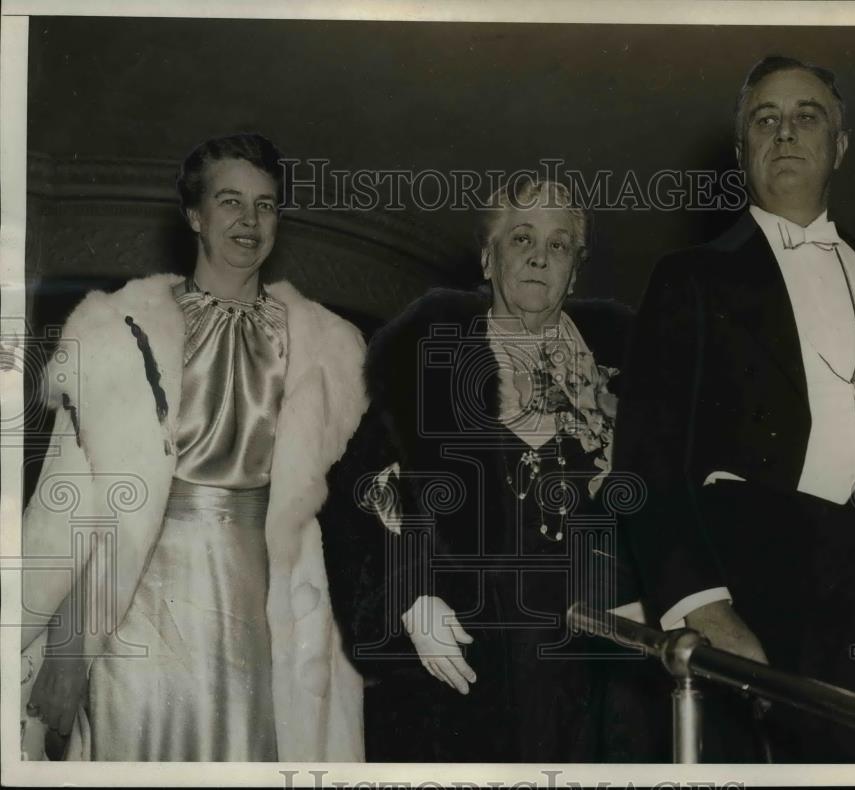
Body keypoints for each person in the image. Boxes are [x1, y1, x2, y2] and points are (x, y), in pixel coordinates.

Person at [614, 56, 855, 762]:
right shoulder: (691, 277)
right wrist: (702, 602)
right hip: (783, 581)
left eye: (807, 115)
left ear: (840, 145)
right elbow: (648, 454)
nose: (785, 132)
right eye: (764, 119)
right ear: (743, 148)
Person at [19, 133, 367, 761]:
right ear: (195, 215)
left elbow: (344, 511)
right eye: (229, 201)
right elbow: (69, 507)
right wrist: (69, 647)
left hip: (267, 611)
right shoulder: (120, 335)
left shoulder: (326, 348)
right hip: (135, 610)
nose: (249, 220)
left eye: (265, 204)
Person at [320, 178, 669, 762]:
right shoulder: (428, 375)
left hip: (610, 673)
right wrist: (408, 597)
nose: (539, 255)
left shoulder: (626, 385)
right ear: (488, 257)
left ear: (575, 271)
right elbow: (351, 501)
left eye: (559, 246)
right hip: (480, 672)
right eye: (522, 238)